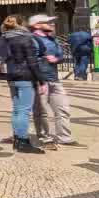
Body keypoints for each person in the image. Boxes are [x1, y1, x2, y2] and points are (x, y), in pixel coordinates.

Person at [28, 14, 83, 149]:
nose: (52, 24)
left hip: (54, 79)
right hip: (39, 80)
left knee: (63, 109)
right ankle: (45, 138)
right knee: (41, 112)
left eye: (52, 22)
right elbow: (30, 61)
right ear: (37, 25)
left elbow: (61, 56)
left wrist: (56, 59)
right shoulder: (31, 40)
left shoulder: (53, 39)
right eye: (48, 22)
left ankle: (65, 138)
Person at [0, 15, 45, 154]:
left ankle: (17, 139)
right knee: (24, 110)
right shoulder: (26, 38)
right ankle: (23, 141)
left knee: (17, 110)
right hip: (25, 77)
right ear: (21, 24)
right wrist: (41, 80)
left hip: (11, 77)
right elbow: (32, 61)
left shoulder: (4, 38)